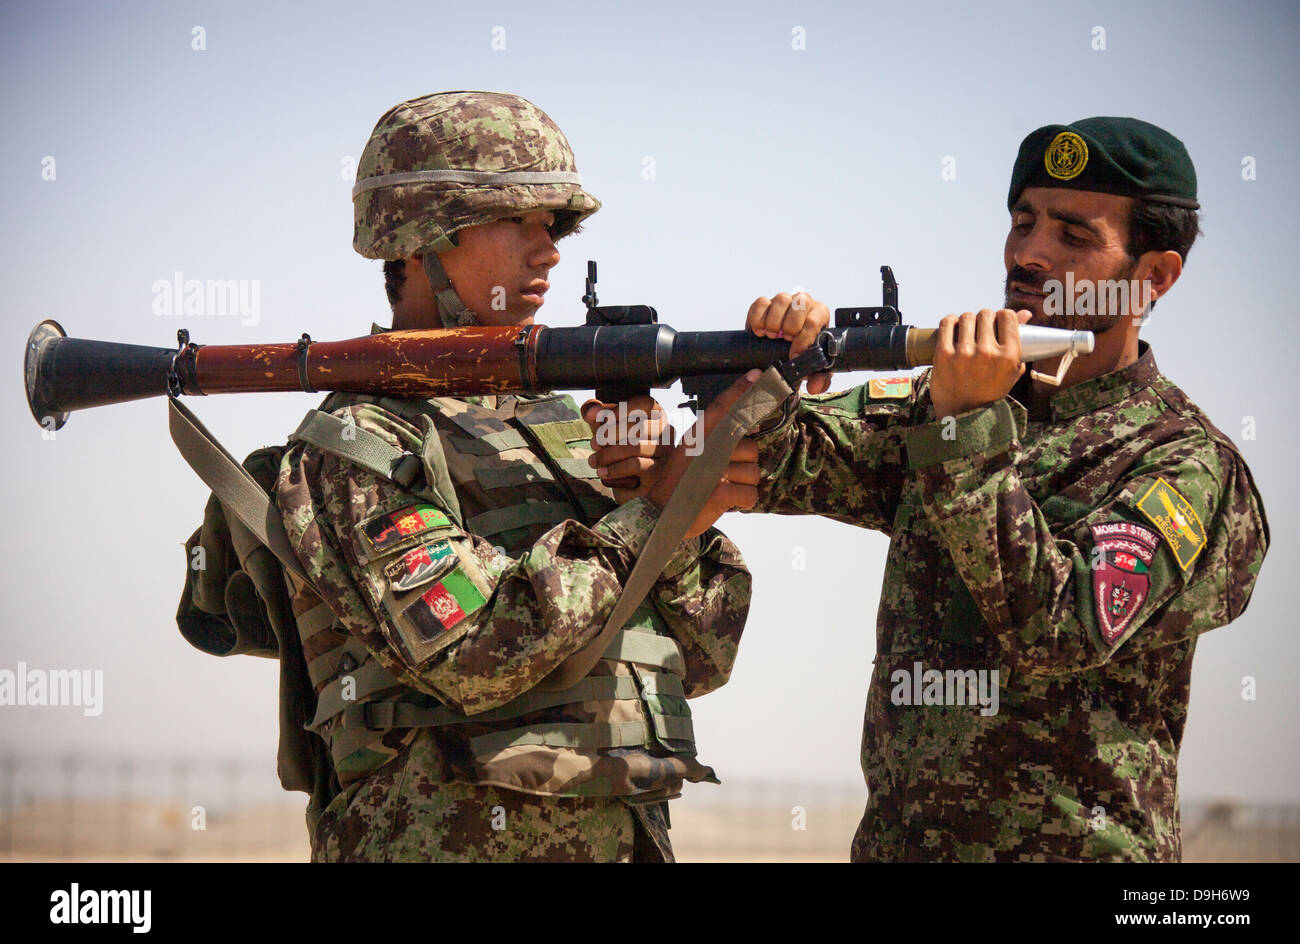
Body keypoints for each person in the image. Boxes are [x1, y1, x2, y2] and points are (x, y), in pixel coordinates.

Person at [593, 117, 1269, 861]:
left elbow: (1061, 624)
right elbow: (772, 458)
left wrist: (963, 426)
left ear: (1155, 274)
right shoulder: (941, 400)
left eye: (1074, 237)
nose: (1029, 254)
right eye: (1022, 222)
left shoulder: (1184, 463)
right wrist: (770, 371)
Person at [177, 91, 757, 862]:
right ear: (422, 236)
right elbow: (477, 654)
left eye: (553, 226)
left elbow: (704, 656)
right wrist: (655, 512)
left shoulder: (562, 429)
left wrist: (675, 505)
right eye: (518, 220)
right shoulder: (356, 444)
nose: (547, 249)